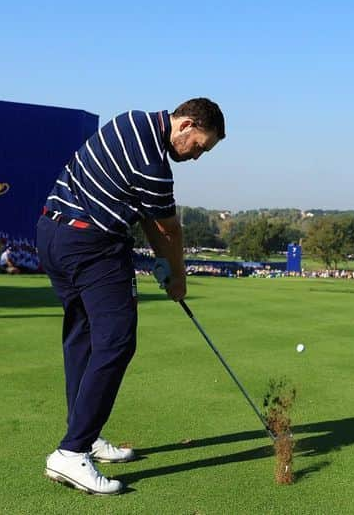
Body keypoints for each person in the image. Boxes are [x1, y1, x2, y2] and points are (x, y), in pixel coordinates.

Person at [38, 97, 225, 495]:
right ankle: (71, 453)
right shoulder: (156, 167)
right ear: (186, 125)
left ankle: (83, 437)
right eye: (199, 147)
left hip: (53, 233)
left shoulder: (132, 123)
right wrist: (178, 279)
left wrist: (161, 262)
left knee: (83, 338)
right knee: (117, 341)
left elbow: (143, 215)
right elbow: (170, 230)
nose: (196, 158)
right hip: (91, 245)